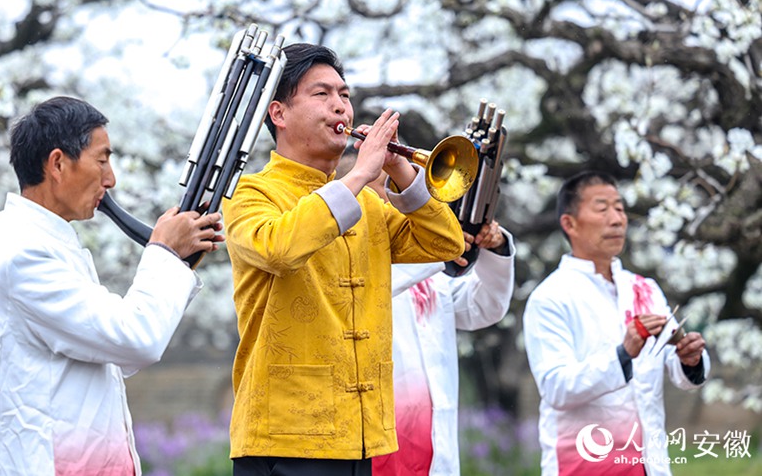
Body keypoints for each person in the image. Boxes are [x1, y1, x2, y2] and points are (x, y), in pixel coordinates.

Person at [220, 43, 465, 475]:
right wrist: (358, 174)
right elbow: (280, 248)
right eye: (322, 95)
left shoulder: (370, 205)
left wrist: (401, 171)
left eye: (345, 95)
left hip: (362, 436)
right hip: (285, 439)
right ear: (278, 113)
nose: (341, 107)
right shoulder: (249, 194)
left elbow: (445, 244)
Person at [0, 96, 224, 475]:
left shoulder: (42, 243)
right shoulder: (23, 254)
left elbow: (116, 347)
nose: (111, 179)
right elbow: (136, 338)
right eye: (102, 159)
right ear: (58, 164)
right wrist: (164, 252)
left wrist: (172, 259)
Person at [523, 170, 710, 476]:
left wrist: (689, 358)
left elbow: (679, 371)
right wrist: (622, 355)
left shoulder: (644, 288)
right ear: (569, 223)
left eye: (620, 208)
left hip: (649, 464)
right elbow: (556, 387)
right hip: (582, 465)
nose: (617, 219)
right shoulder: (550, 297)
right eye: (602, 208)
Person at [353, 164, 516, 476]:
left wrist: (494, 248)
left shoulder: (428, 273)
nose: (393, 197)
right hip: (377, 448)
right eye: (380, 185)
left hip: (433, 447)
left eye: (399, 185)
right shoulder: (353, 267)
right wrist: (438, 254)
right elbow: (375, 287)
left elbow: (485, 308)